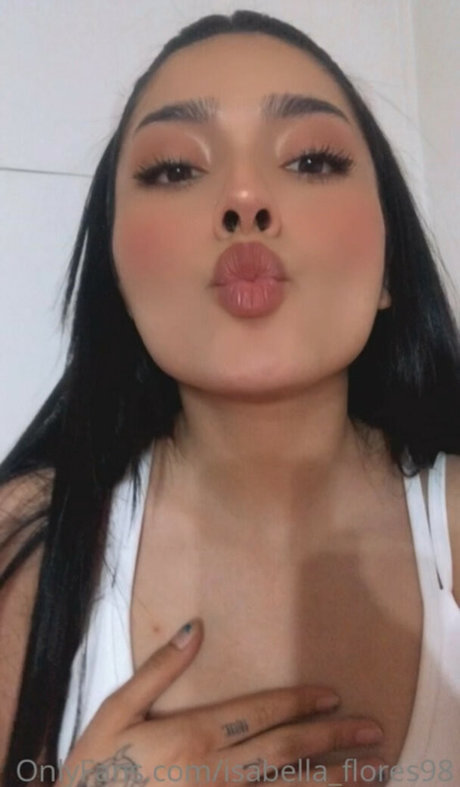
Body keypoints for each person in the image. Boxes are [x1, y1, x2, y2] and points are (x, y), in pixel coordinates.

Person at [1, 9, 459, 787]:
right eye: (175, 169)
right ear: (117, 276)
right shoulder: (24, 546)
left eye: (312, 160)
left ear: (391, 269)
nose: (244, 196)